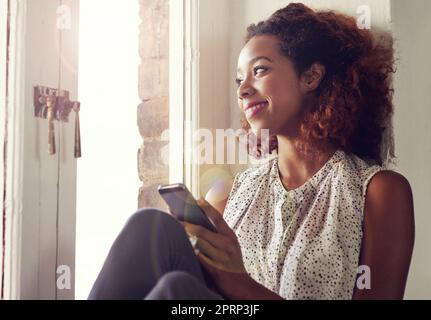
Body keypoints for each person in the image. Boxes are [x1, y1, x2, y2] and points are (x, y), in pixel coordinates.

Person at [88, 3, 414, 300]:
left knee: (178, 290)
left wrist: (237, 279)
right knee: (151, 227)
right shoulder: (233, 195)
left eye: (260, 70)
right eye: (239, 79)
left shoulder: (377, 191)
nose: (243, 90)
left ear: (311, 76)